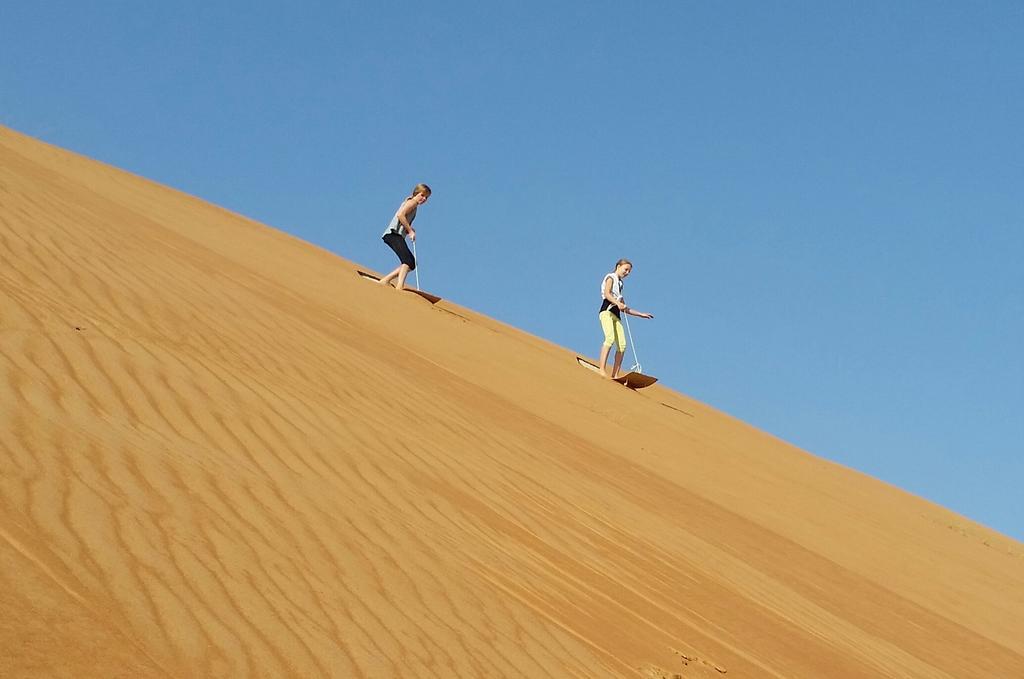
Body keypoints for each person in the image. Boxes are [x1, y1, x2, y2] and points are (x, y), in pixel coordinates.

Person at [597, 259, 654, 378]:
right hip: (606, 312)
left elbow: (625, 308)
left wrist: (641, 314)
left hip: (616, 315)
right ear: (618, 266)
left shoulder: (620, 284)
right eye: (626, 269)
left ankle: (615, 374)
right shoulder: (610, 277)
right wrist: (617, 303)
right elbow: (607, 294)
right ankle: (602, 369)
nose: (627, 272)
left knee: (622, 345)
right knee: (610, 338)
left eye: (629, 271)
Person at [379, 184, 431, 290]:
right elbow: (400, 215)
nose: (424, 199)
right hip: (393, 234)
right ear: (416, 193)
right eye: (422, 195)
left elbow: (402, 219)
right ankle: (399, 286)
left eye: (426, 197)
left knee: (410, 262)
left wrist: (409, 229)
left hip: (396, 235)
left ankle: (386, 280)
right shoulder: (412, 202)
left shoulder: (413, 204)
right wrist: (410, 230)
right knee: (408, 260)